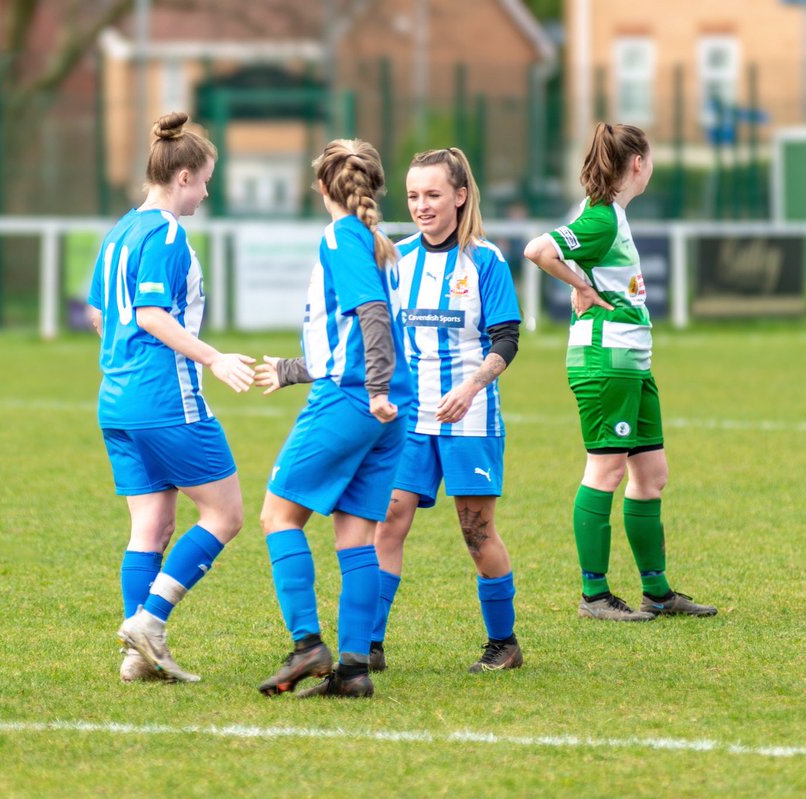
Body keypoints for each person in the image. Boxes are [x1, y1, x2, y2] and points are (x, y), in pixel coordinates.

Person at [523, 122, 717, 623]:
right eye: (649, 159)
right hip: (605, 361)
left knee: (651, 475)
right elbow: (538, 250)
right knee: (605, 471)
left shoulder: (612, 216)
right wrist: (579, 287)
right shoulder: (601, 219)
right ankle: (594, 595)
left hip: (632, 362)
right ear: (638, 164)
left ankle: (657, 592)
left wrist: (581, 280)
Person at [87, 111, 256, 683]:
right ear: (182, 176)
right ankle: (151, 621)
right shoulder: (164, 232)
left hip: (116, 400)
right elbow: (152, 313)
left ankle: (138, 657)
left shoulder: (120, 231)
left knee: (151, 526)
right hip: (164, 399)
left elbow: (98, 313)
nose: (207, 191)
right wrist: (215, 357)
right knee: (226, 513)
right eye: (206, 179)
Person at [254, 138, 412, 699]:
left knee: (278, 516)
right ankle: (352, 671)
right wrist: (293, 369)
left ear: (322, 187)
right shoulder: (376, 240)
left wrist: (370, 390)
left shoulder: (340, 236)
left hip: (356, 401)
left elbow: (371, 317)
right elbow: (346, 335)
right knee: (355, 537)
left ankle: (307, 646)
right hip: (391, 408)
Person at [366, 147, 523, 674]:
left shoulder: (485, 260)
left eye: (433, 195)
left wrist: (473, 386)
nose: (421, 206)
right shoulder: (397, 258)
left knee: (476, 536)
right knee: (388, 520)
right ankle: (371, 642)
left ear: (460, 196)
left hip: (469, 418)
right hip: (410, 420)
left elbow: (506, 339)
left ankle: (504, 643)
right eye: (413, 196)